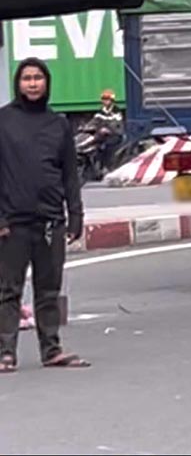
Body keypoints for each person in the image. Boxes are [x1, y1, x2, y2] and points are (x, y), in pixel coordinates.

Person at [0, 58, 88, 373]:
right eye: (27, 78)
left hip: (51, 220)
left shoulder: (58, 124)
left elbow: (69, 175)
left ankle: (51, 349)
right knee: (8, 290)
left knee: (48, 288)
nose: (33, 84)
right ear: (18, 83)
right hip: (12, 222)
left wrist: (75, 215)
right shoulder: (4, 120)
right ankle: (5, 352)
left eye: (38, 78)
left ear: (47, 83)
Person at [90, 89, 125, 171]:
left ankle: (108, 167)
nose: (104, 101)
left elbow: (117, 125)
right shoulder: (101, 111)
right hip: (103, 134)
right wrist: (86, 127)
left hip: (115, 135)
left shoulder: (116, 111)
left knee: (107, 146)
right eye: (103, 99)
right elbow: (94, 121)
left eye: (107, 99)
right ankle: (96, 166)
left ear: (112, 100)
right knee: (93, 144)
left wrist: (108, 129)